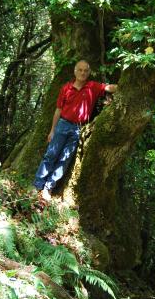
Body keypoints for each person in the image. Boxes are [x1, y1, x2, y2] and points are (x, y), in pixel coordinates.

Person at [34, 60, 117, 200]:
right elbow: (58, 110)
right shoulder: (66, 88)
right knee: (51, 155)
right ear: (75, 71)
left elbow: (109, 88)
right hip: (62, 125)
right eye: (80, 70)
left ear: (89, 72)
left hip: (78, 128)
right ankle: (37, 185)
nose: (83, 73)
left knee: (64, 160)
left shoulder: (92, 86)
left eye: (85, 70)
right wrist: (52, 130)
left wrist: (126, 87)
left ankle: (48, 188)